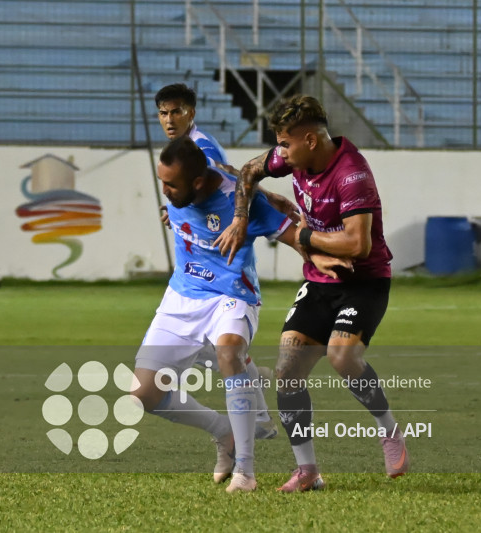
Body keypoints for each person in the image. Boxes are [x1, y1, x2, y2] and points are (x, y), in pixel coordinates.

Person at [214, 95, 409, 492]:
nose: (281, 153)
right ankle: (307, 471)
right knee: (287, 372)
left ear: (311, 140)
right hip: (320, 281)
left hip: (364, 282)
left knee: (342, 356)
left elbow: (358, 245)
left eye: (286, 144)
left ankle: (389, 431)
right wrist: (241, 218)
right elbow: (248, 171)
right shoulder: (292, 157)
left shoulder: (352, 174)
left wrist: (301, 236)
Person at [131, 137, 348, 493]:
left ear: (197, 182)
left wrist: (324, 260)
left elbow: (294, 236)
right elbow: (231, 169)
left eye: (171, 186)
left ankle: (245, 471)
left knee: (229, 351)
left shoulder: (241, 203)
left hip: (232, 294)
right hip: (182, 295)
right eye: (162, 183)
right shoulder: (185, 188)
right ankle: (224, 432)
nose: (165, 192)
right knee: (143, 394)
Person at [154, 83, 297, 440]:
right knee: (222, 350)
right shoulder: (184, 147)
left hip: (221, 268)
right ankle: (258, 410)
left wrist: (264, 200)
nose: (169, 120)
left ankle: (247, 413)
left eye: (176, 112)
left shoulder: (200, 146)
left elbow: (230, 178)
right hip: (198, 272)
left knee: (220, 348)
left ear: (191, 113)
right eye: (163, 113)